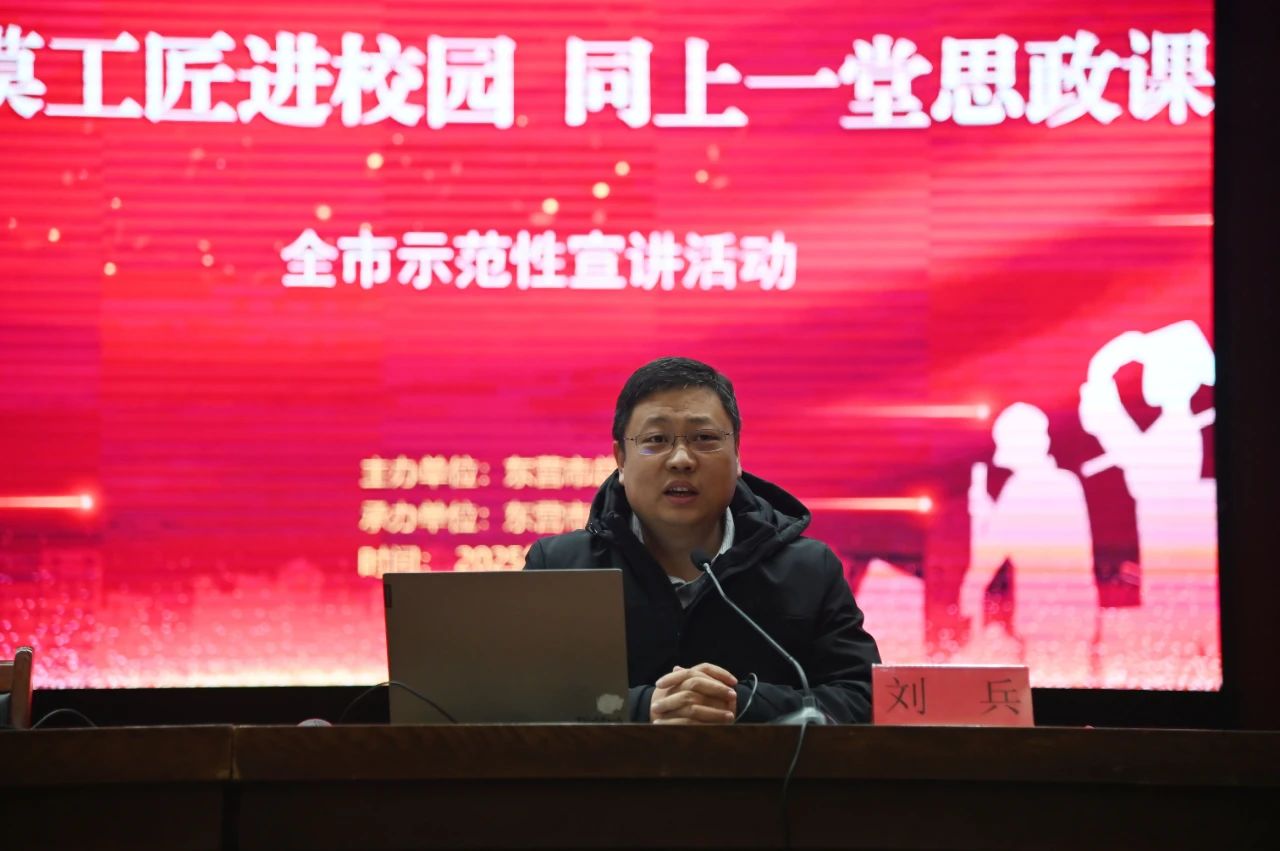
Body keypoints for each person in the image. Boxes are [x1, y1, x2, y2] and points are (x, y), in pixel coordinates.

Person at [523, 357, 880, 723]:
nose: (681, 460)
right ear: (621, 460)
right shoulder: (560, 566)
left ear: (737, 453)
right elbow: (520, 701)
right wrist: (643, 707)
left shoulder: (808, 570)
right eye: (656, 440)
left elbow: (865, 698)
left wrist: (739, 704)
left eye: (704, 439)